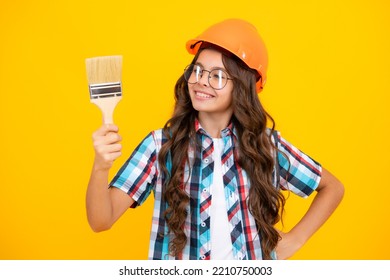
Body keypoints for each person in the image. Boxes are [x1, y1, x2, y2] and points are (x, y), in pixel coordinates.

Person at [86, 18, 344, 260]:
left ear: (242, 86)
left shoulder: (266, 146)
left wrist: (295, 240)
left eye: (217, 75)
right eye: (197, 70)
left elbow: (333, 187)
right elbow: (100, 220)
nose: (201, 81)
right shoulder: (160, 145)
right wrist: (100, 166)